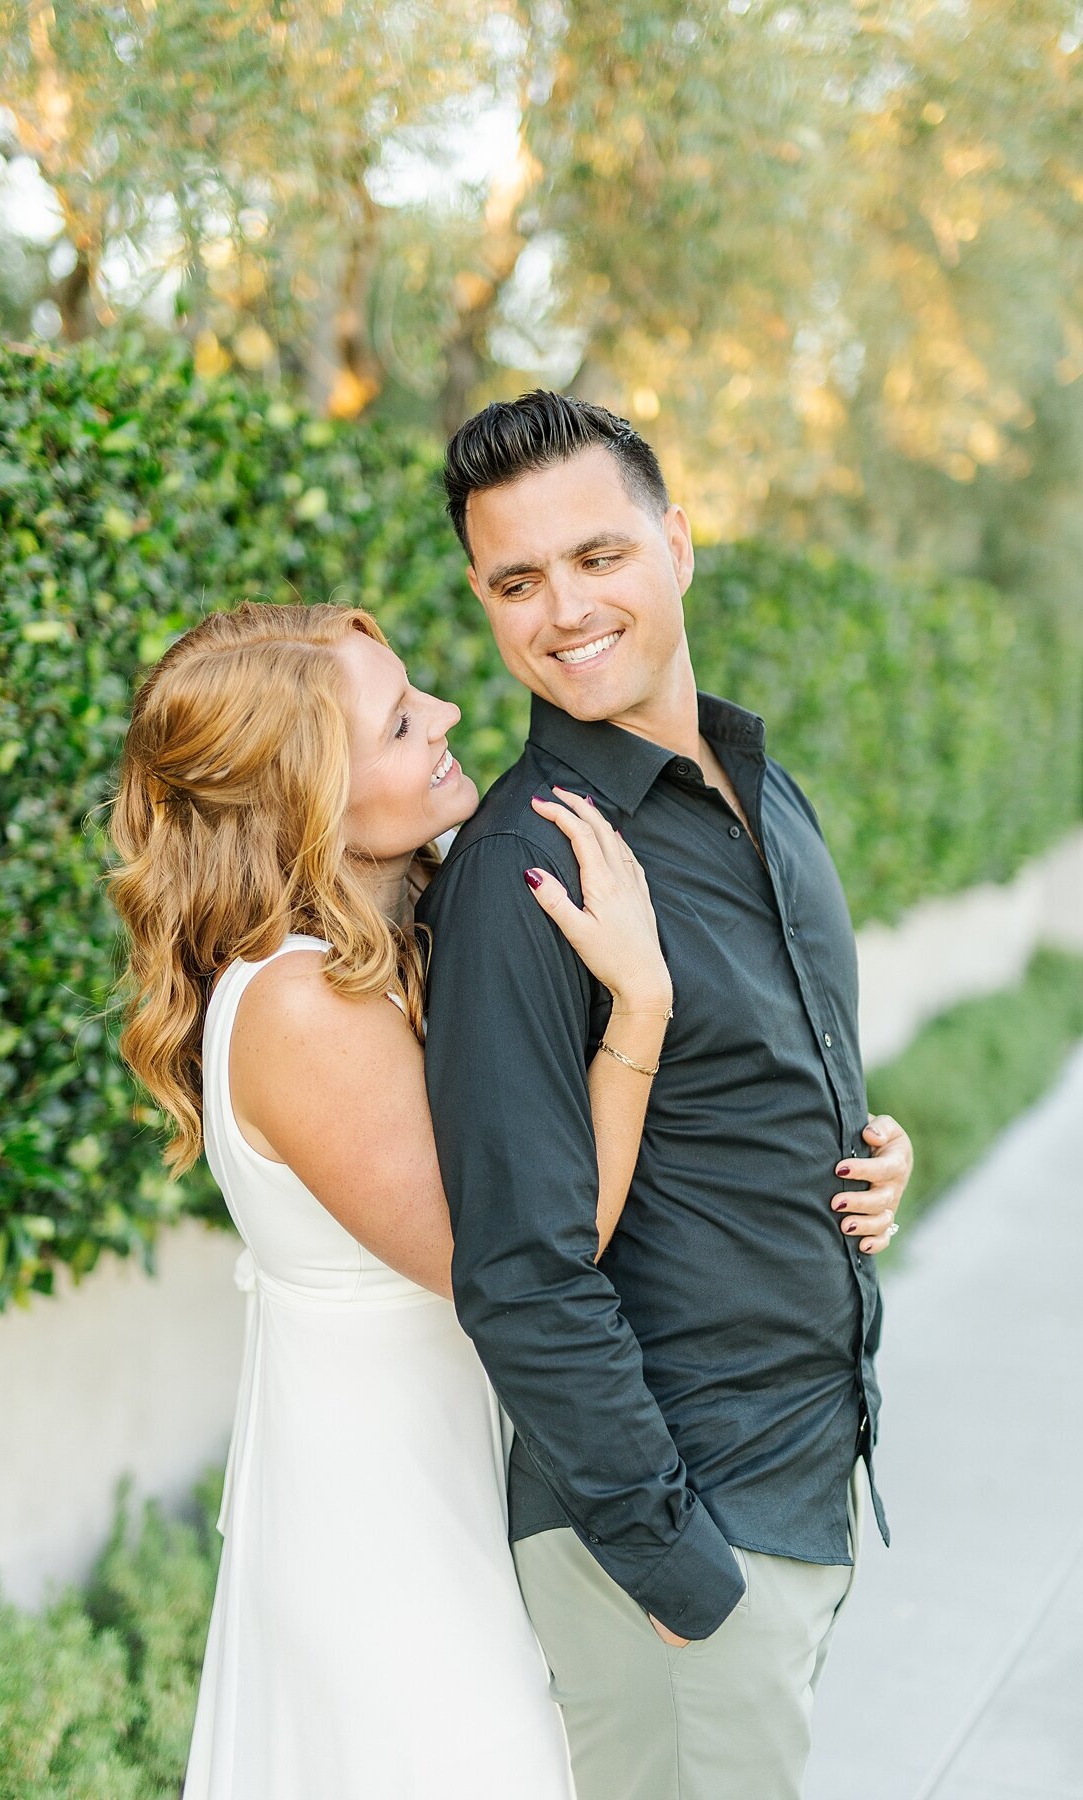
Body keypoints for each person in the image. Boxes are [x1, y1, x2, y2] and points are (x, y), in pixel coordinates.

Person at [417, 390, 915, 1800]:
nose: (564, 608)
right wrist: (675, 1562)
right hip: (682, 1532)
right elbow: (517, 1266)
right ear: (484, 601)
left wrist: (876, 1150)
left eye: (598, 557)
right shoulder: (525, 875)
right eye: (518, 581)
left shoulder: (766, 787)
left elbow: (782, 1058)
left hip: (802, 1475)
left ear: (678, 546)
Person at [107, 598, 691, 1799]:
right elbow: (533, 1250)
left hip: (445, 1492)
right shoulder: (297, 1003)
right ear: (301, 796)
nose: (448, 716)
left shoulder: (399, 942)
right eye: (396, 723)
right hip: (382, 1539)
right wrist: (638, 1012)